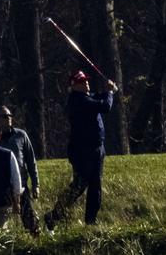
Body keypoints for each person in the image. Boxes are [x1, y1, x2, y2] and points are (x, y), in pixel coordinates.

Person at [44, 70, 118, 234]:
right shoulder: (78, 101)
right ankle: (54, 216)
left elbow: (98, 97)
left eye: (86, 80)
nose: (86, 83)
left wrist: (108, 91)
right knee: (80, 185)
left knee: (94, 185)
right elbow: (105, 106)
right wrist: (110, 92)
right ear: (73, 86)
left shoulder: (86, 97)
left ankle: (90, 222)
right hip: (83, 150)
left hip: (96, 148)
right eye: (81, 82)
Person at [0, 105, 41, 236]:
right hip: (2, 188)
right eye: (4, 116)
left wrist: (36, 184)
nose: (8, 118)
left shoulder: (21, 135)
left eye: (9, 115)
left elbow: (31, 161)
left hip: (21, 186)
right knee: (2, 223)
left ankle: (34, 242)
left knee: (30, 220)